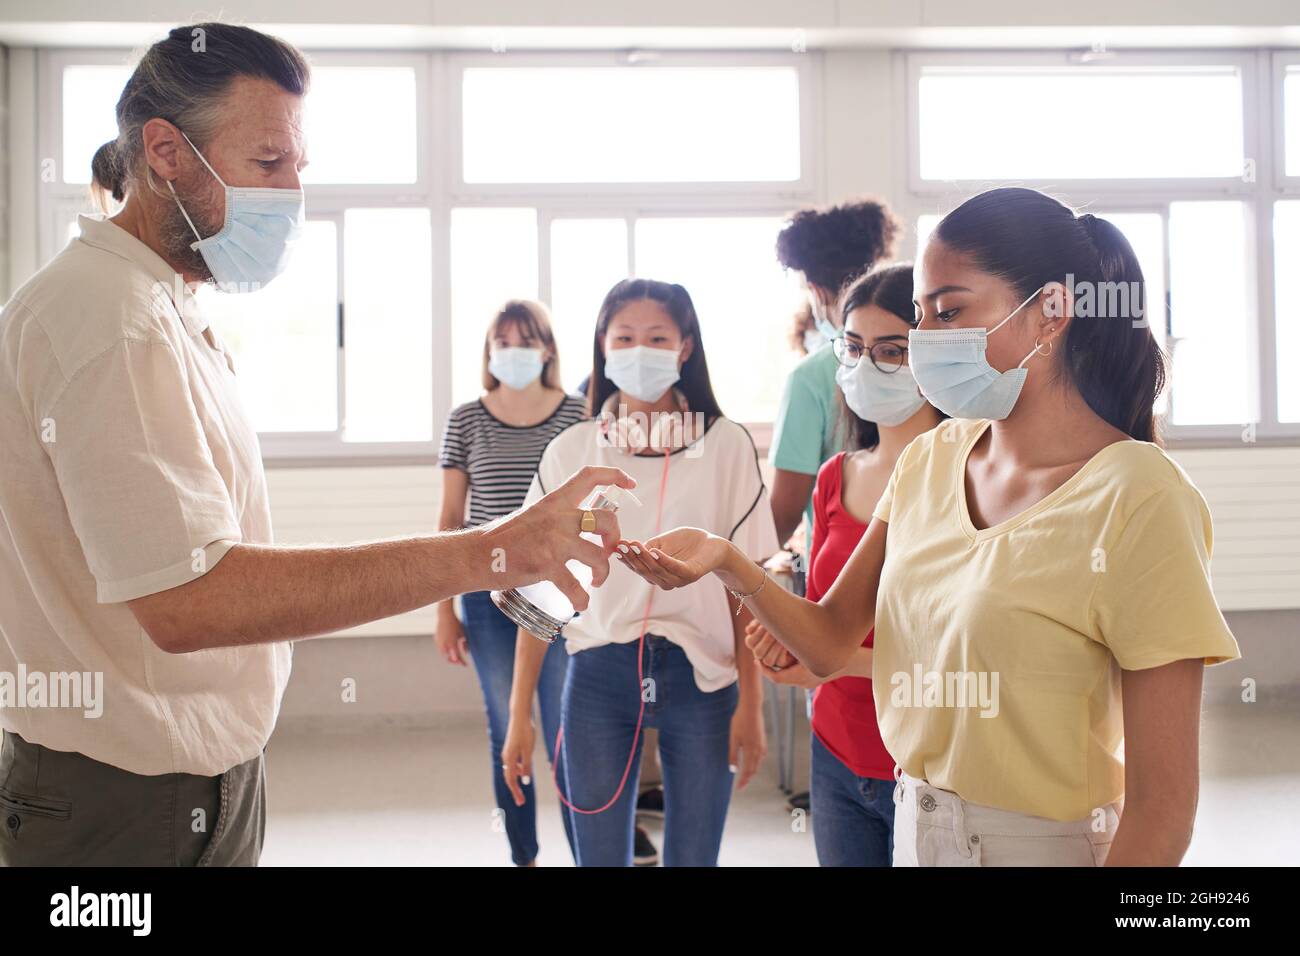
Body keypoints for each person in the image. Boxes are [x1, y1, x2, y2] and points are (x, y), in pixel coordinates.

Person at [0, 22, 630, 867]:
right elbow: (191, 602)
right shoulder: (108, 320)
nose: (293, 194)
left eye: (299, 166)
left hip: (189, 777)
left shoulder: (159, 308)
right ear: (165, 152)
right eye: (268, 164)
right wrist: (489, 554)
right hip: (125, 801)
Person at [616, 186, 1242, 867]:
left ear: (1052, 313)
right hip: (917, 830)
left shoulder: (1140, 498)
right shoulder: (931, 460)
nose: (922, 343)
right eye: (921, 317)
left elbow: (1163, 810)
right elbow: (827, 643)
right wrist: (726, 562)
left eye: (950, 313)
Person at [501, 279, 779, 867]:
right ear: (602, 346)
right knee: (598, 856)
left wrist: (751, 709)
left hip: (703, 679)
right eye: (624, 337)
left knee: (695, 856)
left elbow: (746, 587)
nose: (639, 350)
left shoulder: (726, 446)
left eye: (657, 337)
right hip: (600, 674)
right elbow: (538, 591)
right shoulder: (571, 451)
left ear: (685, 348)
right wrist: (519, 714)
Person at [755, 264, 943, 866]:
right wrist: (784, 637)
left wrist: (830, 662)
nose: (867, 367)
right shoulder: (836, 476)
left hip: (929, 764)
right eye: (855, 348)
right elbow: (820, 612)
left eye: (893, 351)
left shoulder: (966, 482)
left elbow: (965, 656)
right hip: (835, 754)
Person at [435, 300, 587, 866]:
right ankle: (524, 855)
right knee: (509, 724)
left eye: (527, 340)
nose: (514, 351)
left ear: (547, 350)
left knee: (570, 732)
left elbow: (595, 508)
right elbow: (451, 521)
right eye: (503, 340)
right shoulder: (466, 419)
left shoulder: (579, 414)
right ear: (489, 350)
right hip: (487, 596)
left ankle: (588, 851)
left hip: (566, 595)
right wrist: (443, 610)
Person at [770, 197, 901, 551]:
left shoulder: (811, 376)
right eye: (856, 350)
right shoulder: (925, 354)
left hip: (833, 571)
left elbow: (783, 515)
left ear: (815, 290)